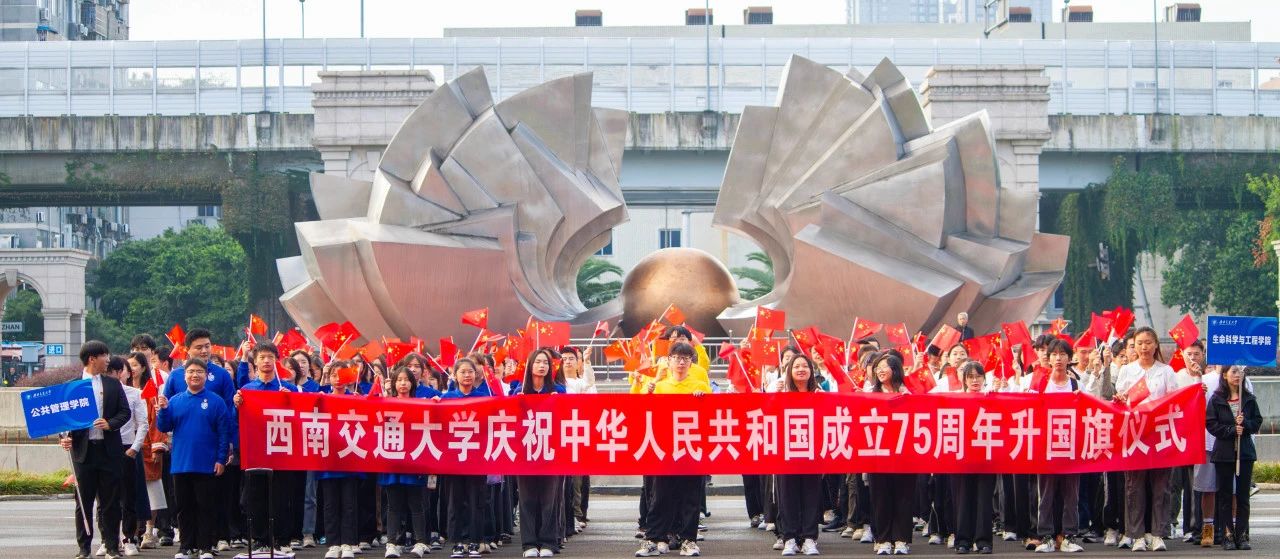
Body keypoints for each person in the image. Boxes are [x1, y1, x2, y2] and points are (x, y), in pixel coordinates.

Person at [162, 328, 242, 552]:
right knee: (185, 503)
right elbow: (167, 412)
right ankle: (189, 545)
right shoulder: (176, 377)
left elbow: (229, 410)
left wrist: (228, 446)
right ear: (187, 350)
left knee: (210, 500)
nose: (205, 350)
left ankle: (212, 541)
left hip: (212, 449)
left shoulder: (221, 375)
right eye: (199, 347)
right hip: (185, 451)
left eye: (208, 346)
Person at [636, 342, 710, 558]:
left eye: (685, 358)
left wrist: (703, 399)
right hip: (664, 450)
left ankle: (688, 540)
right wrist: (647, 392)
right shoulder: (658, 386)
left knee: (690, 497)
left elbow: (712, 414)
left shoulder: (700, 385)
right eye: (676, 358)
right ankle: (654, 539)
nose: (681, 362)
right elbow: (640, 412)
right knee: (660, 497)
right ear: (668, 361)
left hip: (691, 449)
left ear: (691, 362)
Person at [60, 340, 133, 559]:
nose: (108, 360)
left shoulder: (112, 385)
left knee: (111, 502)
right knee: (83, 502)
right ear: (92, 359)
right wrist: (64, 439)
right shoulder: (71, 387)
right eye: (104, 356)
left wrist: (110, 424)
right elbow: (63, 420)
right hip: (83, 453)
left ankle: (111, 546)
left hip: (108, 451)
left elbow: (125, 412)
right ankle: (84, 548)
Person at [155, 357, 232, 559]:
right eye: (190, 372)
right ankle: (186, 546)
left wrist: (221, 459)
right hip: (181, 463)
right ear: (184, 376)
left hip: (207, 463)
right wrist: (163, 411)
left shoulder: (216, 401)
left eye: (199, 371)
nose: (194, 375)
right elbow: (163, 427)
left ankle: (206, 546)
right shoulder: (175, 400)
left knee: (206, 507)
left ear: (206, 375)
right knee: (183, 507)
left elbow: (224, 433)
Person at [1113, 327, 1180, 551]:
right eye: (1140, 343)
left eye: (1148, 342)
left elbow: (1174, 400)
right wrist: (1121, 399)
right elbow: (1121, 400)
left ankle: (1158, 534)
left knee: (1161, 486)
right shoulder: (1127, 370)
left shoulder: (1166, 371)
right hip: (1135, 434)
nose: (1144, 347)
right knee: (1134, 486)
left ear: (1156, 345)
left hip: (1159, 435)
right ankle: (1137, 535)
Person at [233, 342, 300, 556]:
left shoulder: (287, 388)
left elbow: (299, 417)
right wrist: (237, 404)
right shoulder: (248, 390)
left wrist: (290, 400)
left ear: (276, 360)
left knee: (281, 496)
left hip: (281, 449)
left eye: (270, 357)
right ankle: (260, 538)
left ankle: (281, 538)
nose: (266, 361)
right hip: (256, 450)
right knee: (256, 496)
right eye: (262, 357)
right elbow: (237, 419)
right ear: (255, 361)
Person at [1033, 338, 1084, 553]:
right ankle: (1046, 536)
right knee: (1046, 494)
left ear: (1069, 358)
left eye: (1063, 354)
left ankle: (1068, 536)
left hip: (1070, 447)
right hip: (1046, 446)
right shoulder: (1040, 383)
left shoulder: (1076, 385)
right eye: (1054, 354)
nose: (1058, 358)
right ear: (1048, 358)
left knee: (1071, 494)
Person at [1206, 366, 1263, 551]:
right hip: (1224, 453)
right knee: (1224, 496)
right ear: (1225, 375)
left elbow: (1257, 422)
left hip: (1244, 453)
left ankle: (1242, 534)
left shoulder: (1249, 399)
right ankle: (1227, 535)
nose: (1237, 375)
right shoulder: (1216, 399)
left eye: (1240, 372)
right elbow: (1211, 424)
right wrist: (1231, 430)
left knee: (1243, 496)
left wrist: (1245, 424)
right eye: (1233, 372)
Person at [519, 348, 568, 558]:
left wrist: (560, 404)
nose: (542, 366)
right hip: (525, 453)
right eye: (538, 362)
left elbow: (569, 417)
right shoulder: (519, 391)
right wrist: (518, 402)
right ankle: (529, 543)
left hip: (551, 453)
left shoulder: (559, 390)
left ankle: (549, 542)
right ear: (530, 365)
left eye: (546, 363)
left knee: (550, 500)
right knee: (527, 500)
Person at [867, 352, 916, 555]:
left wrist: (908, 398)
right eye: (877, 368)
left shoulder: (909, 393)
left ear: (895, 370)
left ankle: (902, 539)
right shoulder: (870, 394)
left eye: (884, 366)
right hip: (878, 454)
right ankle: (883, 538)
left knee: (903, 496)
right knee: (880, 497)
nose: (880, 370)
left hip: (904, 453)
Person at [380, 366, 432, 559]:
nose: (403, 383)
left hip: (414, 460)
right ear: (393, 383)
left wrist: (435, 403)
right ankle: (392, 543)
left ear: (413, 383)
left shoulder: (421, 403)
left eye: (406, 379)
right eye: (399, 380)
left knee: (416, 504)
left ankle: (420, 542)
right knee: (393, 505)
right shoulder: (385, 404)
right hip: (392, 460)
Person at [775, 354, 823, 557]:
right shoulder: (781, 394)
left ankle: (809, 538)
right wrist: (774, 396)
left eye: (805, 366)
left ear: (811, 371)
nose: (801, 369)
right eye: (796, 366)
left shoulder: (819, 394)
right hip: (787, 454)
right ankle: (790, 538)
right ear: (789, 371)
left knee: (811, 495)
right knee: (788, 496)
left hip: (812, 453)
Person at [443, 358, 490, 559]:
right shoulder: (446, 398)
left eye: (470, 371)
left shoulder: (484, 397)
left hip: (476, 458)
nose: (467, 375)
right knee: (455, 502)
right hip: (454, 459)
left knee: (476, 501)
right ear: (455, 375)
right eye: (462, 372)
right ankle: (457, 542)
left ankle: (474, 541)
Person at [105, 355, 150, 558]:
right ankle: (108, 539)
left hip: (128, 448)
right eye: (108, 372)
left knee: (128, 496)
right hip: (105, 448)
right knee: (107, 498)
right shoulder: (98, 393)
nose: (113, 375)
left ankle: (129, 538)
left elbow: (143, 423)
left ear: (124, 373)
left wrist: (135, 447)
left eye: (118, 371)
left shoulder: (135, 394)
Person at [950, 361, 995, 555]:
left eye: (978, 376)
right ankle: (963, 540)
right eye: (970, 377)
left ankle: (983, 540)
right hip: (962, 457)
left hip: (987, 456)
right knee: (963, 499)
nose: (975, 380)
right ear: (964, 380)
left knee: (984, 500)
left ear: (984, 378)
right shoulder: (956, 399)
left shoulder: (992, 398)